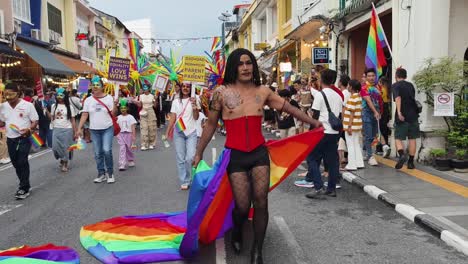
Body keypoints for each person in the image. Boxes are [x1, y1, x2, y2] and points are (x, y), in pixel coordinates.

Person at [193, 48, 321, 264]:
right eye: (241, 63)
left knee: (261, 201)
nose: (245, 67)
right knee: (242, 206)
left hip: (259, 154)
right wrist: (198, 153)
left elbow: (289, 108)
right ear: (234, 67)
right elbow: (211, 125)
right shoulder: (220, 93)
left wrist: (313, 123)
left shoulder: (263, 91)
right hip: (235, 156)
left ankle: (257, 252)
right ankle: (237, 230)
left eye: (249, 63)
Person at [301, 69, 343, 198]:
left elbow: (316, 115)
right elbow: (340, 115)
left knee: (312, 158)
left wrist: (310, 131)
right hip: (334, 132)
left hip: (322, 131)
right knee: (332, 161)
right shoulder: (338, 96)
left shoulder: (320, 95)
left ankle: (318, 187)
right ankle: (331, 189)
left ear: (321, 80)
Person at [0, 83, 39, 199]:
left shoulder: (27, 105)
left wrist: (30, 129)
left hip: (24, 138)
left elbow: (35, 120)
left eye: (11, 95)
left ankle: (23, 187)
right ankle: (24, 183)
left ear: (18, 93)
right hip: (10, 139)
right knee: (16, 163)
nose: (9, 98)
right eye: (6, 95)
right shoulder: (3, 106)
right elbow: (2, 122)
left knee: (22, 161)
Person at [76, 76, 116, 184]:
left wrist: (115, 104)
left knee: (107, 150)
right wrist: (79, 128)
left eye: (97, 85)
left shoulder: (109, 98)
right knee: (98, 153)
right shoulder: (88, 100)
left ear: (102, 87)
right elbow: (85, 114)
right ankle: (101, 173)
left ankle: (110, 173)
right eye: (93, 85)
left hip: (107, 128)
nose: (95, 87)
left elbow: (113, 114)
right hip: (94, 130)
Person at [165, 82, 200, 190]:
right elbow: (172, 118)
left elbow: (196, 117)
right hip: (179, 132)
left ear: (191, 88)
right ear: (180, 88)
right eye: (183, 86)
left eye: (188, 87)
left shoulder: (194, 99)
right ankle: (184, 180)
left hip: (191, 132)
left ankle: (190, 178)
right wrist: (167, 132)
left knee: (190, 157)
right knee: (180, 158)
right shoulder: (176, 101)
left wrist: (194, 106)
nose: (185, 88)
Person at [392, 67, 420, 169]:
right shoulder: (411, 85)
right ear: (406, 76)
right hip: (413, 116)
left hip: (402, 117)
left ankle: (402, 155)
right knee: (412, 139)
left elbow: (398, 98)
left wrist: (399, 112)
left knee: (398, 138)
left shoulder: (395, 85)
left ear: (396, 76)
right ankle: (411, 163)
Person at [49, 88, 76, 172]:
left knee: (65, 148)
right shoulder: (53, 106)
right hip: (56, 129)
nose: (59, 97)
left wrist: (75, 131)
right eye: (58, 95)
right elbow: (52, 117)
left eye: (61, 95)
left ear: (65, 96)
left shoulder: (70, 107)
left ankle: (65, 162)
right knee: (55, 147)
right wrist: (45, 111)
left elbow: (73, 120)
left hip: (67, 129)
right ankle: (62, 158)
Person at [361, 68, 383, 166]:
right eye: (369, 76)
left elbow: (380, 101)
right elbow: (369, 101)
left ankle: (366, 152)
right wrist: (375, 111)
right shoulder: (364, 88)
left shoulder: (378, 87)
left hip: (376, 114)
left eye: (373, 76)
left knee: (374, 136)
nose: (371, 78)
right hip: (367, 113)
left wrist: (380, 112)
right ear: (366, 77)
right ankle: (371, 156)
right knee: (369, 136)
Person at [343, 80, 364, 171]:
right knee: (356, 143)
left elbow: (351, 113)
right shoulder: (359, 97)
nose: (347, 87)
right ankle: (359, 163)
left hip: (351, 124)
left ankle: (351, 164)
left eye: (348, 85)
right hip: (358, 124)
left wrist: (349, 126)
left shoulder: (352, 98)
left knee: (350, 144)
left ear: (351, 87)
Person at [116, 99, 137, 171]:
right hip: (121, 134)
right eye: (121, 108)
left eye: (124, 108)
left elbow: (133, 127)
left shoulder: (130, 117)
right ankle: (122, 164)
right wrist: (116, 134)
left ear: (127, 108)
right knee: (122, 148)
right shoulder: (118, 117)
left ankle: (130, 160)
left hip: (129, 134)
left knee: (129, 148)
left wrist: (133, 136)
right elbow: (117, 127)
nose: (123, 109)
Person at [136, 83, 157, 150]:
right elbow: (140, 105)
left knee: (151, 128)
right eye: (144, 87)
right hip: (143, 112)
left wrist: (156, 100)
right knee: (144, 128)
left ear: (149, 88)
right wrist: (136, 102)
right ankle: (144, 144)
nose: (145, 89)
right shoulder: (141, 96)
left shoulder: (152, 96)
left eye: (146, 87)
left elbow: (155, 106)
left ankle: (151, 143)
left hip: (151, 112)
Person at [376, 76, 392, 158]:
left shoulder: (382, 89)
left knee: (380, 128)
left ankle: (380, 147)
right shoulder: (388, 89)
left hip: (381, 108)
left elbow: (379, 98)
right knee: (384, 128)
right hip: (386, 109)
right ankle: (385, 145)